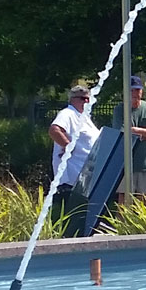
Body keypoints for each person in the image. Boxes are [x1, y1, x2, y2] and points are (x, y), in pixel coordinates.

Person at [48, 83, 99, 232]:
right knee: (70, 226)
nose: (86, 102)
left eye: (88, 99)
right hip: (70, 181)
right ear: (73, 99)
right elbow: (54, 130)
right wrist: (67, 146)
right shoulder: (68, 114)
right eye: (83, 98)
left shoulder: (84, 118)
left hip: (84, 181)